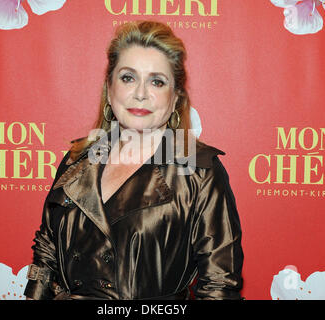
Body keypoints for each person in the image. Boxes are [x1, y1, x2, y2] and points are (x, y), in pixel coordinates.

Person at [24, 20, 244, 300]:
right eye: (128, 77)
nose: (140, 93)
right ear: (109, 87)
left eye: (157, 81)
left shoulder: (199, 171)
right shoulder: (77, 160)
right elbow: (46, 253)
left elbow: (219, 287)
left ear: (176, 96)